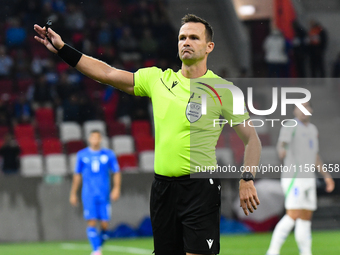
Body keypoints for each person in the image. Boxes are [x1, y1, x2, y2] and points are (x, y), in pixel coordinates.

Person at [34, 14, 261, 255]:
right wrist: (62, 50)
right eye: (182, 37)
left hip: (199, 189)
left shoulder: (225, 91)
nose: (186, 42)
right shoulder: (158, 79)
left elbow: (252, 139)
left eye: (194, 37)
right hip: (162, 189)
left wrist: (247, 178)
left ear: (209, 47)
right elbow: (107, 73)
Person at [266, 102, 335, 255]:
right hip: (294, 177)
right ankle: (272, 251)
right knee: (293, 214)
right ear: (295, 111)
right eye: (300, 108)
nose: (304, 111)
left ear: (311, 110)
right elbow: (282, 144)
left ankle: (305, 252)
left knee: (306, 216)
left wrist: (326, 176)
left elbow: (315, 155)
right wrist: (281, 150)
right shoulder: (291, 125)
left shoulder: (312, 129)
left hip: (309, 178)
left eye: (307, 107)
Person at [69, 130, 121, 255]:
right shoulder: (82, 155)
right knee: (91, 221)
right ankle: (96, 250)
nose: (95, 140)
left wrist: (116, 188)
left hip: (104, 194)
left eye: (97, 137)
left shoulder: (108, 154)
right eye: (93, 137)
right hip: (88, 194)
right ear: (89, 139)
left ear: (101, 139)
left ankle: (98, 247)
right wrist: (73, 193)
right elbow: (77, 175)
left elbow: (116, 172)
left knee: (105, 225)